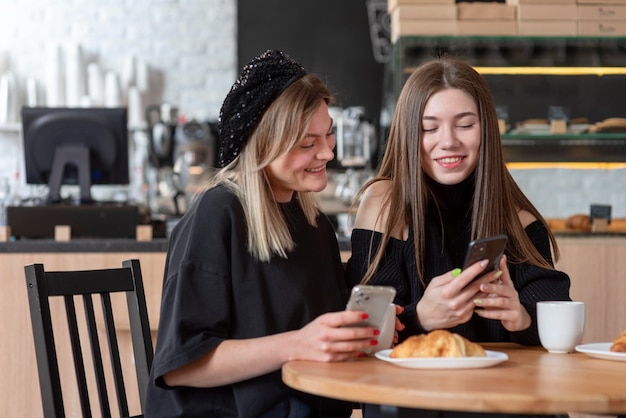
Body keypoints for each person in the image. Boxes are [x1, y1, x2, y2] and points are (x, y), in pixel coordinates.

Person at [146, 50, 383, 418]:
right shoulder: (218, 213)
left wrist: (362, 332)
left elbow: (321, 346)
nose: (327, 153)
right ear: (263, 145)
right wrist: (299, 344)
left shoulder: (313, 226)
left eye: (328, 135)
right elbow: (181, 366)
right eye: (307, 144)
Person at [346, 57, 571, 418]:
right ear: (408, 134)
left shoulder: (518, 219)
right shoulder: (383, 204)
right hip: (411, 402)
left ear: (487, 131)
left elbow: (559, 321)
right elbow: (362, 333)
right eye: (428, 128)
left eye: (465, 125)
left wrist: (522, 318)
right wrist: (421, 317)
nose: (448, 142)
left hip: (500, 403)